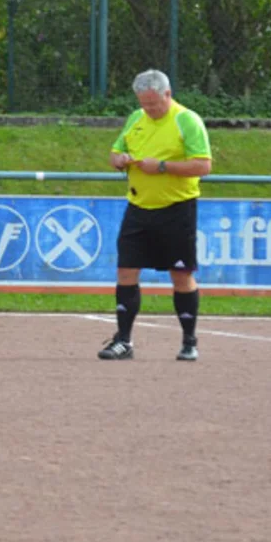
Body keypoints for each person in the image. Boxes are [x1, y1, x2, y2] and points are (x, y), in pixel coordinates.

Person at [100, 68, 214, 362]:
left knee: (181, 274)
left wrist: (162, 166)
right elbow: (115, 152)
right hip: (138, 207)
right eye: (144, 103)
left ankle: (189, 341)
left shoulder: (186, 120)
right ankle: (123, 340)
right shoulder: (136, 118)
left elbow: (203, 165)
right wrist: (119, 161)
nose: (149, 109)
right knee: (126, 271)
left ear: (168, 94)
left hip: (177, 210)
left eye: (154, 103)